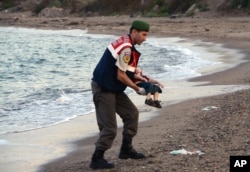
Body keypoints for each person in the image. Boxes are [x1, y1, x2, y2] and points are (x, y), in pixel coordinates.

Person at [89, 20, 150, 169]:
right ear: (134, 32)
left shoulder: (126, 43)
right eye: (143, 34)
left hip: (113, 88)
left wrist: (144, 78)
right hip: (103, 88)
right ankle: (97, 158)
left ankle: (126, 150)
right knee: (109, 127)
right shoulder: (127, 49)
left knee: (132, 114)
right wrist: (137, 89)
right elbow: (121, 76)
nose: (145, 38)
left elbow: (127, 69)